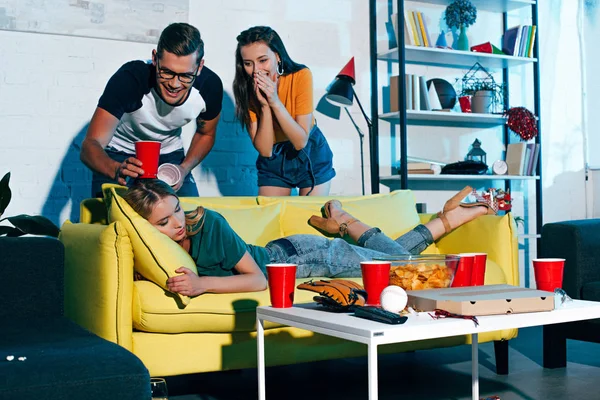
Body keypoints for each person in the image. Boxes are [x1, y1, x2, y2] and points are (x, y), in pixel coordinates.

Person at [123, 180, 500, 297]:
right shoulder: (155, 246)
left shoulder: (208, 225)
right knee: (398, 256)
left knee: (402, 267)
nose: (177, 223)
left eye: (176, 208)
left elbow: (258, 279)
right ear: (145, 227)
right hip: (296, 255)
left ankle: (345, 220)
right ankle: (445, 220)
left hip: (303, 257)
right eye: (162, 221)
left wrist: (202, 285)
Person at [81, 22, 223, 198]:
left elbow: (206, 134)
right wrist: (115, 169)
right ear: (155, 59)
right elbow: (90, 145)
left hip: (169, 156)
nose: (174, 84)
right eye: (166, 72)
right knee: (115, 220)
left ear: (199, 67)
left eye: (185, 76)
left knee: (191, 219)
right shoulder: (130, 79)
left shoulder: (210, 88)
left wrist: (184, 169)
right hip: (119, 155)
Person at [233, 26, 336, 196]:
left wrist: (274, 101)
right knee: (271, 216)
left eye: (263, 60)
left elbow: (300, 141)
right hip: (274, 158)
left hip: (309, 151)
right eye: (248, 63)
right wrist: (265, 106)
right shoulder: (246, 89)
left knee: (309, 217)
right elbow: (265, 151)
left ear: (277, 56)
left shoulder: (301, 75)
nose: (256, 70)